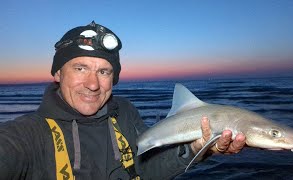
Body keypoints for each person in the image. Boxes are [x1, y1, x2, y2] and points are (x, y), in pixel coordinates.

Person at [0, 21, 246, 180]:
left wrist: (195, 149)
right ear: (57, 73)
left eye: (104, 72)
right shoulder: (26, 136)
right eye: (80, 68)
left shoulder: (124, 113)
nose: (93, 84)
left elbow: (146, 170)